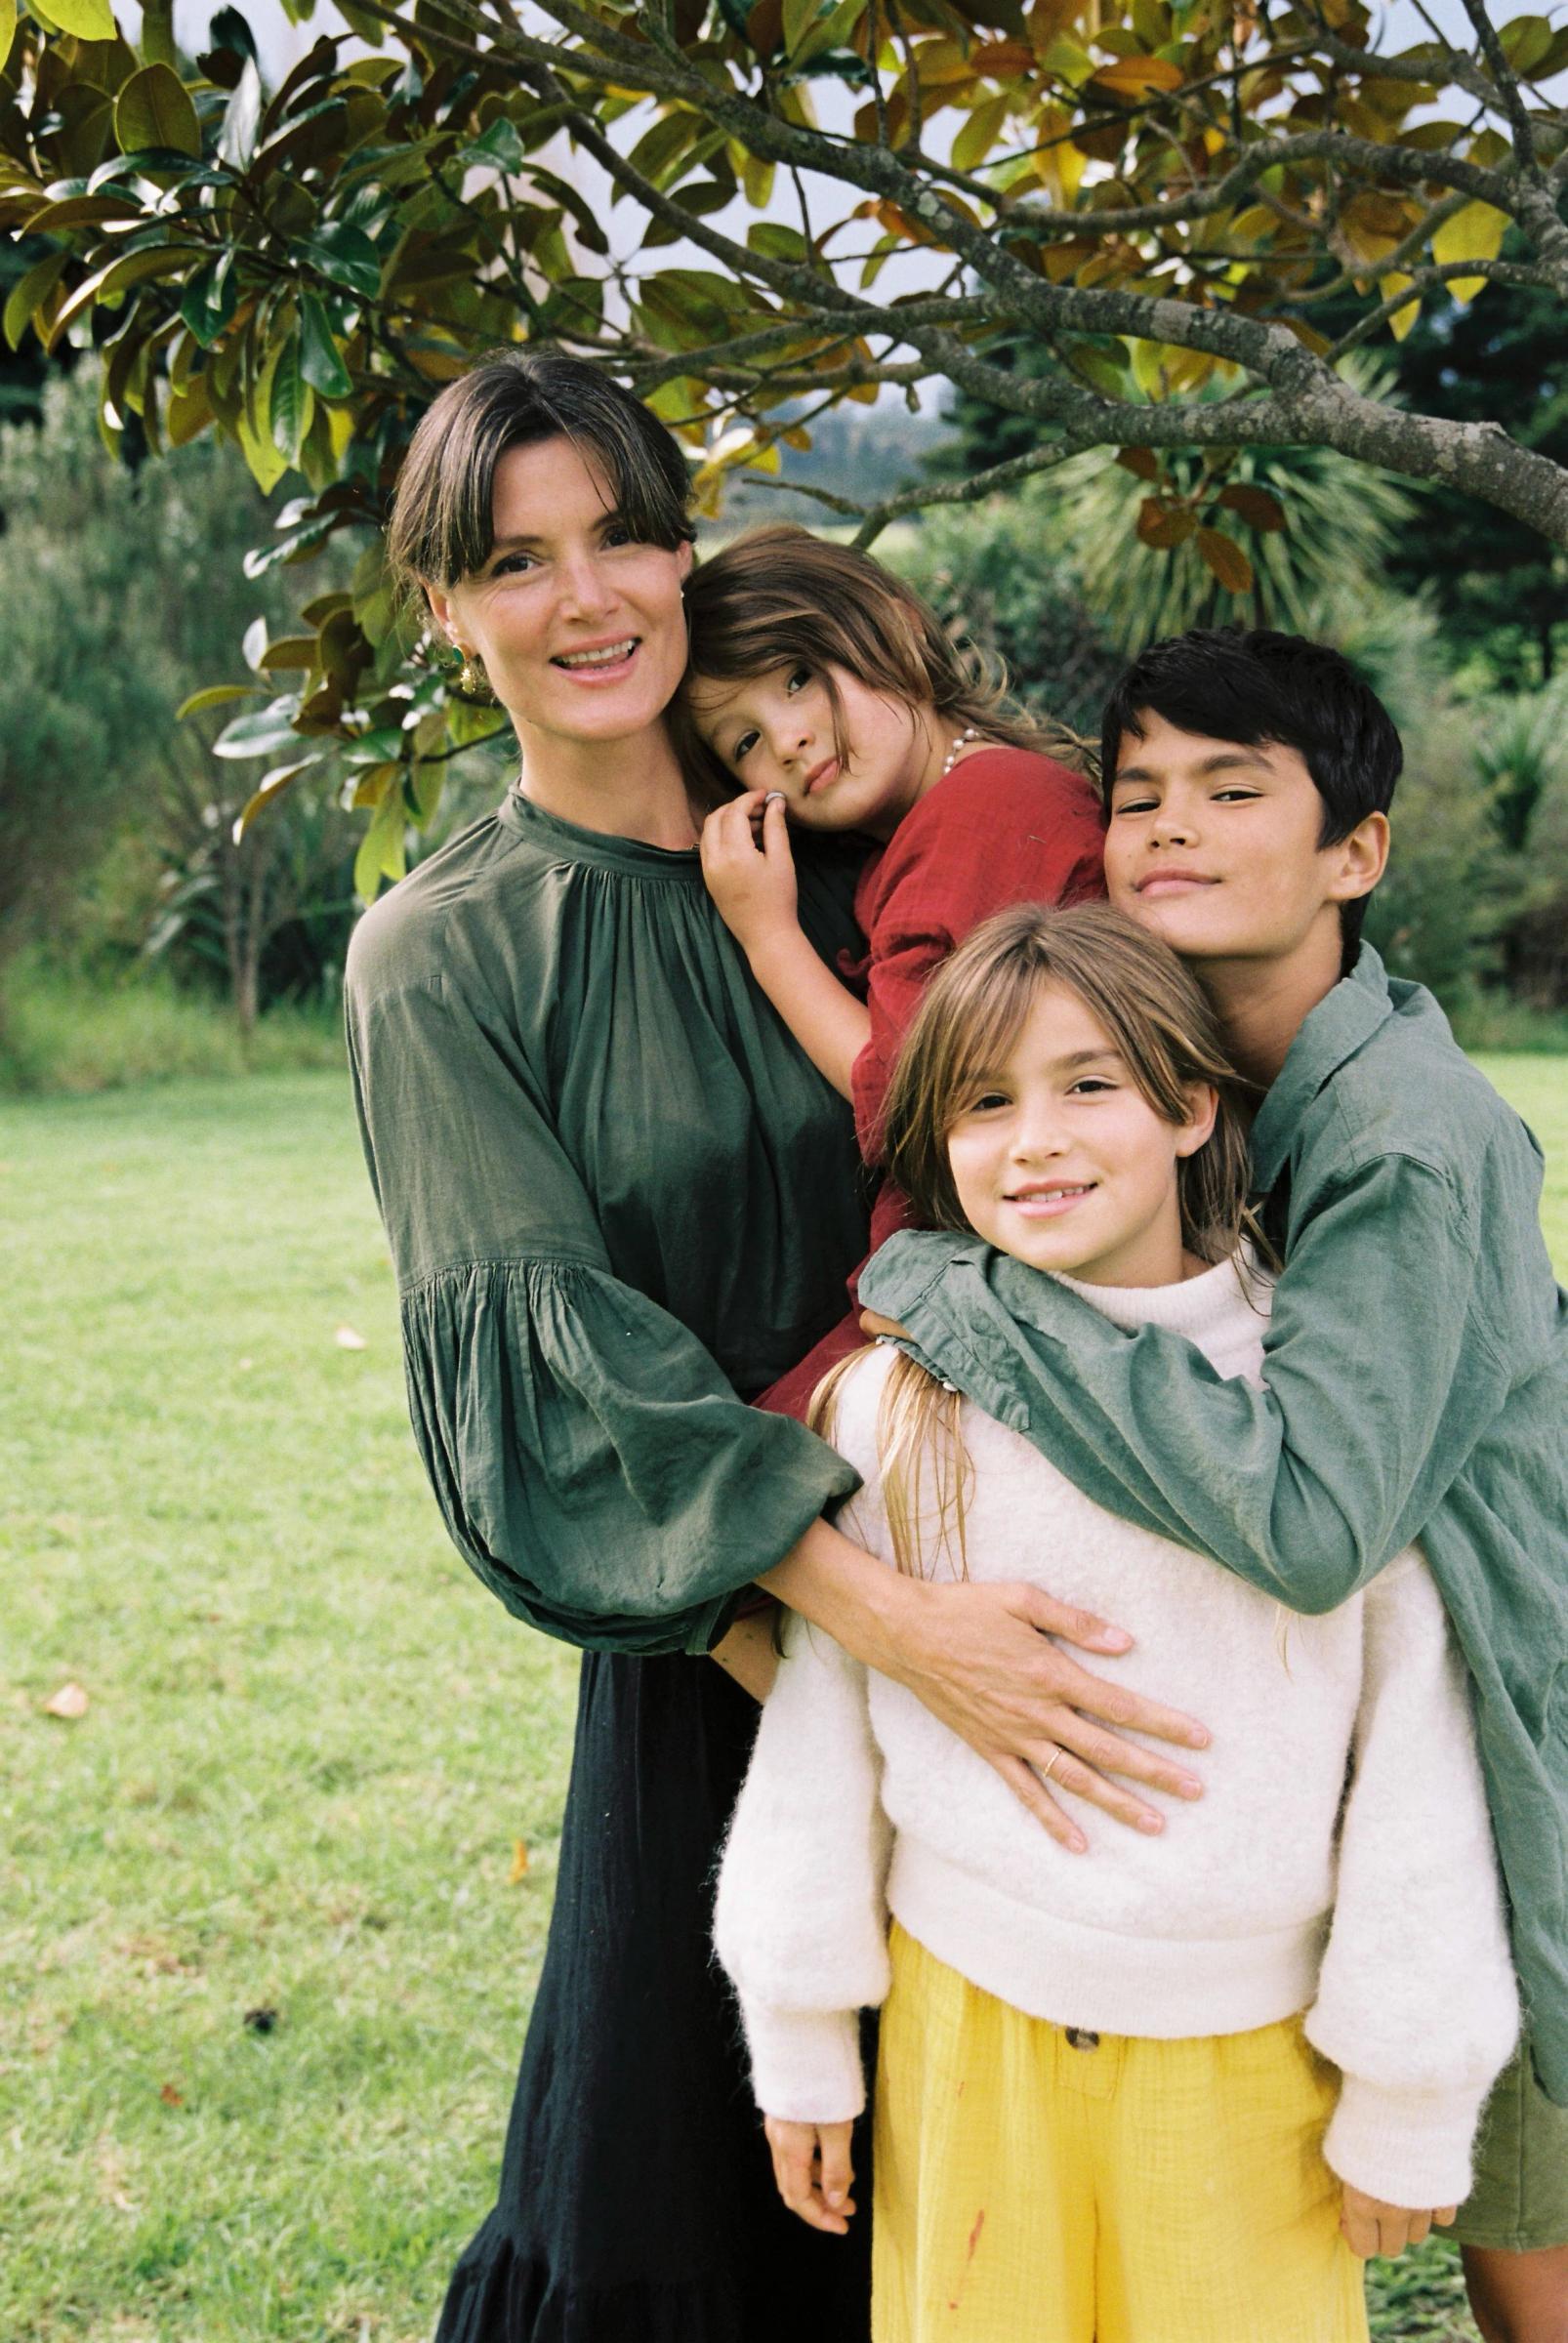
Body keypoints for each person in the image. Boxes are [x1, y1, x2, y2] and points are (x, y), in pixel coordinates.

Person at [344, 351, 1213, 2342]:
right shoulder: (447, 950)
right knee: (716, 2242)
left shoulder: (855, 849)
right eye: (515, 562)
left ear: (680, 551)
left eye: (624, 538)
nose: (587, 602)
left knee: (1015, 2247)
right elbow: (551, 1371)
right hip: (736, 1647)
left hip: (1053, 1608)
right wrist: (879, 1637)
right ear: (443, 609)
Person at [859, 629, 1568, 2343]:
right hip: (1340, 1747)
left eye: (1231, 790)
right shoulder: (1229, 1077)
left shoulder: (1400, 1133)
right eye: (1139, 792)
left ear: (1356, 854)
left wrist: (960, 1287)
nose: (1166, 825)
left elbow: (1315, 1523)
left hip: (1501, 1707)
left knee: (1524, 2205)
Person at [716, 902, 1517, 2343]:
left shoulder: (1318, 1403)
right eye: (981, 1102)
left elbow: (1416, 1755)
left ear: (1190, 1105)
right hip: (967, 2032)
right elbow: (826, 1721)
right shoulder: (901, 1402)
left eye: (1087, 1085)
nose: (1034, 1140)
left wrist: (1407, 2090)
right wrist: (797, 2031)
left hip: (1243, 2065)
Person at [673, 523, 1105, 1419]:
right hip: (996, 1272)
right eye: (744, 741)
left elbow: (910, 1083)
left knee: (766, 1480)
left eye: (797, 676)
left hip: (999, 1296)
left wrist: (767, 937)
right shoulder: (969, 804)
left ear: (893, 623)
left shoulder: (983, 810)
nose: (787, 738)